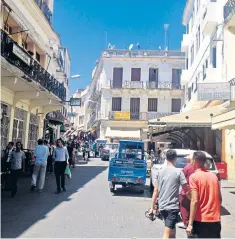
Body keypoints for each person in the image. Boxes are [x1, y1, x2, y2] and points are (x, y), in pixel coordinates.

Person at [150, 149, 189, 238]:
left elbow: (155, 190)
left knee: (172, 232)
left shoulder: (160, 172)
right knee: (167, 234)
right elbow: (186, 189)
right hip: (172, 208)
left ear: (166, 158)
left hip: (162, 206)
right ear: (175, 159)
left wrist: (152, 207)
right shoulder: (179, 172)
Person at [186, 151, 222, 238]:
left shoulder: (194, 177)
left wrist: (190, 224)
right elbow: (219, 199)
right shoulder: (214, 177)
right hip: (215, 221)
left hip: (200, 220)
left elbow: (194, 201)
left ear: (194, 161)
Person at [178, 155, 195, 229]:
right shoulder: (196, 167)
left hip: (186, 190)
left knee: (184, 207)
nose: (186, 160)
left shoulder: (188, 167)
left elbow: (181, 176)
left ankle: (186, 222)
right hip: (195, 191)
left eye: (187, 158)